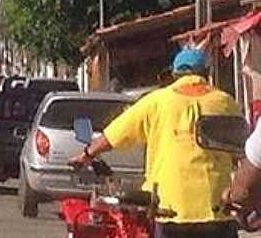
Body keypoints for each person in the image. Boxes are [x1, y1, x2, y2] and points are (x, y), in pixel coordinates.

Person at [70, 48, 241, 238]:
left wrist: (86, 155)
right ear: (207, 73)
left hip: (171, 208)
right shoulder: (226, 103)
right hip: (218, 207)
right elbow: (242, 148)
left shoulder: (157, 101)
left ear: (175, 74)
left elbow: (114, 135)